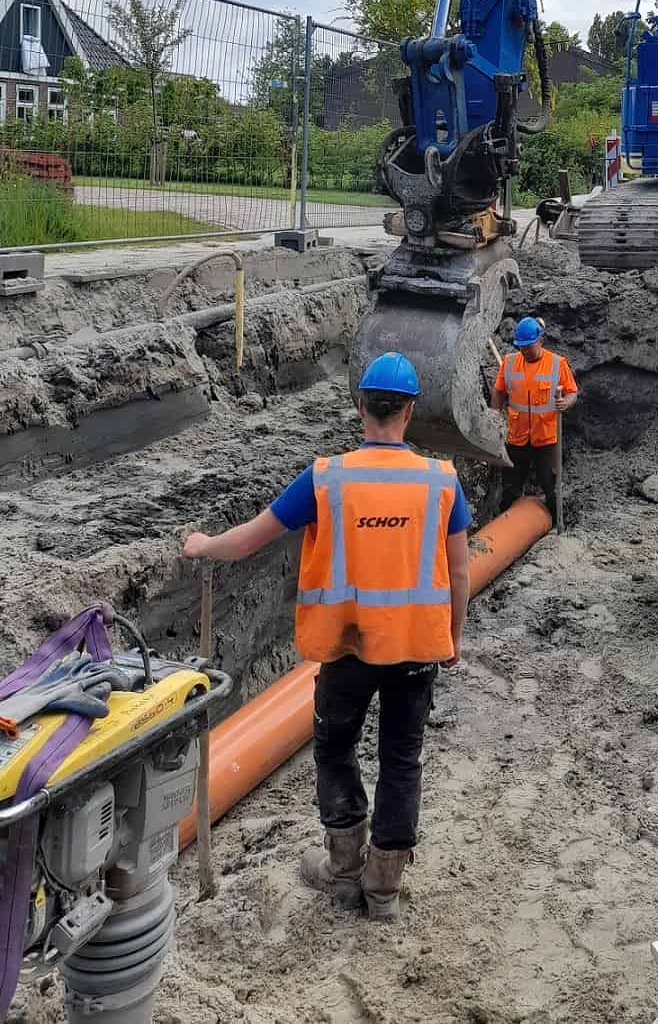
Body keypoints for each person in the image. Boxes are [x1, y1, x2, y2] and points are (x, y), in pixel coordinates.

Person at [181, 351, 471, 924]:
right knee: (402, 759)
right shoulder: (441, 481)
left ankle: (344, 875)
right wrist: (452, 637)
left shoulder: (327, 478)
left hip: (347, 648)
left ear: (360, 406)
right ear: (410, 411)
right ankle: (382, 889)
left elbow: (245, 542)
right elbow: (459, 572)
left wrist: (201, 544)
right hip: (415, 649)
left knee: (336, 749)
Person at [491, 316, 577, 520]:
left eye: (529, 346)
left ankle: (557, 525)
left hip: (546, 438)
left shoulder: (557, 364)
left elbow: (572, 392)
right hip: (516, 437)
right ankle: (506, 524)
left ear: (540, 340)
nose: (525, 351)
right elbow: (498, 392)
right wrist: (494, 415)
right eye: (521, 347)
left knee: (552, 487)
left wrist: (566, 402)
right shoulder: (510, 363)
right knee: (511, 489)